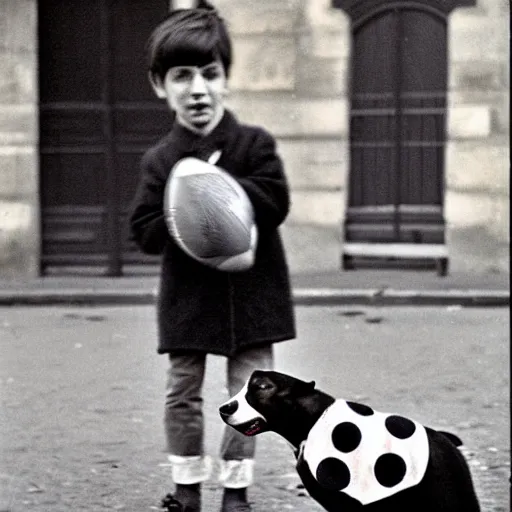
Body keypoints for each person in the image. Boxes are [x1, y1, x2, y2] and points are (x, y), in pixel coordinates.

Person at [129, 3, 296, 511]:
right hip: (189, 300)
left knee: (250, 396)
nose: (197, 89)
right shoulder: (160, 160)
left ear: (225, 80)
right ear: (160, 86)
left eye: (209, 73)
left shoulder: (254, 144)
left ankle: (236, 490)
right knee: (183, 393)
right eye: (182, 76)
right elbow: (143, 229)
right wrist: (180, 211)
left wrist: (217, 192)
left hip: (253, 296)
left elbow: (276, 201)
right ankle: (185, 487)